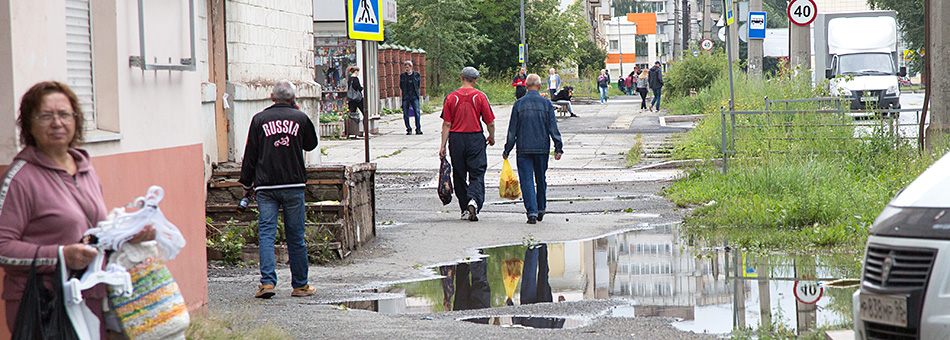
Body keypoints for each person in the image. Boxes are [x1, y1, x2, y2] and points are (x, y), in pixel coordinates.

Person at [0, 81, 155, 333]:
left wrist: (127, 235)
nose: (57, 123)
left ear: (76, 119)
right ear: (29, 123)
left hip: (88, 298)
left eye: (64, 114)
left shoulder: (84, 168)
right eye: (46, 115)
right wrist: (61, 255)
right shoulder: (20, 178)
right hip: (42, 307)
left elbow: (92, 233)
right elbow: (3, 247)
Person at [240, 80, 319, 299]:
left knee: (266, 234)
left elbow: (250, 155)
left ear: (271, 96)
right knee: (296, 236)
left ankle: (267, 283)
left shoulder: (259, 120)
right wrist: (298, 117)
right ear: (294, 98)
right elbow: (311, 145)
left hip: (266, 186)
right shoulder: (300, 118)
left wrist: (246, 184)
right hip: (294, 185)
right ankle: (300, 285)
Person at [503, 74, 564, 224]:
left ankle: (531, 212)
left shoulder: (519, 104)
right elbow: (552, 127)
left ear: (526, 86)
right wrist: (558, 147)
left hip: (523, 148)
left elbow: (512, 131)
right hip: (542, 148)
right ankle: (541, 208)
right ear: (539, 86)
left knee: (527, 180)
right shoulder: (546, 104)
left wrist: (507, 149)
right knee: (540, 178)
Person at [439, 67, 496, 222]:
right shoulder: (480, 97)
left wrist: (443, 145)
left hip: (456, 139)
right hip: (475, 139)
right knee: (477, 173)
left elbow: (446, 124)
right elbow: (489, 121)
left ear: (461, 77)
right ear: (475, 80)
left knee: (459, 174)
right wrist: (491, 136)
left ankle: (465, 208)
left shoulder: (451, 97)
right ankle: (474, 201)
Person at [399, 60, 423, 135]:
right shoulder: (403, 76)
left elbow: (418, 85)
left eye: (408, 67)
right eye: (405, 67)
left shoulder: (416, 75)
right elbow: (401, 86)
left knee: (417, 112)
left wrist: (415, 93)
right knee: (406, 113)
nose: (406, 69)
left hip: (414, 95)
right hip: (406, 96)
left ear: (411, 67)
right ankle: (408, 129)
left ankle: (418, 128)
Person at [345, 65, 364, 137]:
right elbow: (358, 88)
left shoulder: (349, 79)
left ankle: (352, 131)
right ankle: (363, 130)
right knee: (364, 112)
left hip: (351, 99)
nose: (358, 73)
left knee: (352, 114)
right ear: (356, 71)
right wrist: (362, 87)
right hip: (357, 99)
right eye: (358, 71)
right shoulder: (356, 79)